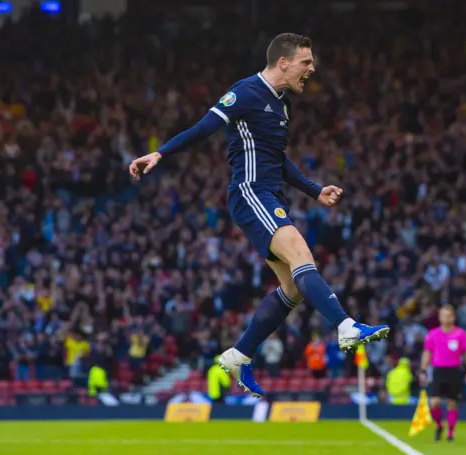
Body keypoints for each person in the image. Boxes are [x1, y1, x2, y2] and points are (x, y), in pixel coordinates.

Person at [128, 33, 389, 398]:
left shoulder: (282, 106)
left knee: (293, 287)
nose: (311, 69)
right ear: (283, 62)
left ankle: (240, 354)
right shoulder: (246, 92)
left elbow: (277, 159)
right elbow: (205, 126)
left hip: (269, 193)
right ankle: (345, 325)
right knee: (301, 253)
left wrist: (315, 189)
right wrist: (160, 154)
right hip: (250, 192)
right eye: (306, 62)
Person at [420, 305, 466, 442]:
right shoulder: (433, 334)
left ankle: (451, 432)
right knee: (434, 402)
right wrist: (423, 370)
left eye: (448, 315)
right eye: (443, 315)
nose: (445, 318)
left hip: (454, 370)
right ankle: (439, 425)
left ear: (453, 317)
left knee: (452, 403)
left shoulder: (460, 334)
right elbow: (427, 352)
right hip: (438, 370)